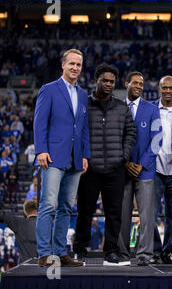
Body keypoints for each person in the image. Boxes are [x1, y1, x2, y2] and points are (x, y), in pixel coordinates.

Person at [73, 63, 136, 266]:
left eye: (112, 81)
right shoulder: (84, 104)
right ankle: (80, 251)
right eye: (105, 80)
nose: (109, 84)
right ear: (96, 80)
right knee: (85, 212)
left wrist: (123, 156)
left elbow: (131, 132)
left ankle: (111, 251)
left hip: (115, 169)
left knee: (114, 213)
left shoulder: (121, 106)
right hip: (89, 170)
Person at [33, 48, 90, 267]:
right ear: (63, 65)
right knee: (48, 204)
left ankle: (60, 252)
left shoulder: (83, 94)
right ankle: (44, 253)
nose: (75, 67)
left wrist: (85, 155)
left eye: (79, 64)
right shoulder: (49, 90)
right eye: (72, 64)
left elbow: (83, 128)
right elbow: (39, 122)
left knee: (66, 206)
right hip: (53, 156)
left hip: (75, 158)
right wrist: (41, 150)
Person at [118, 71, 162, 266]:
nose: (138, 86)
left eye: (141, 84)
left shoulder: (152, 109)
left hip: (145, 170)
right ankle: (122, 254)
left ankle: (144, 255)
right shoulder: (117, 107)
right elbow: (112, 138)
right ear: (126, 83)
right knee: (122, 214)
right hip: (122, 169)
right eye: (135, 83)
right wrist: (125, 162)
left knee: (147, 216)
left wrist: (141, 163)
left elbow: (157, 139)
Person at [152, 75, 172, 264]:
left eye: (171, 88)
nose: (168, 91)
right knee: (151, 213)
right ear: (159, 88)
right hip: (154, 169)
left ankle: (168, 251)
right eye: (165, 88)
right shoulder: (150, 108)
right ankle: (155, 250)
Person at [0, 199, 38, 263]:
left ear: (25, 211)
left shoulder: (19, 223)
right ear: (37, 210)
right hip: (41, 268)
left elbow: (2, 216)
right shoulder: (45, 225)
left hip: (24, 267)